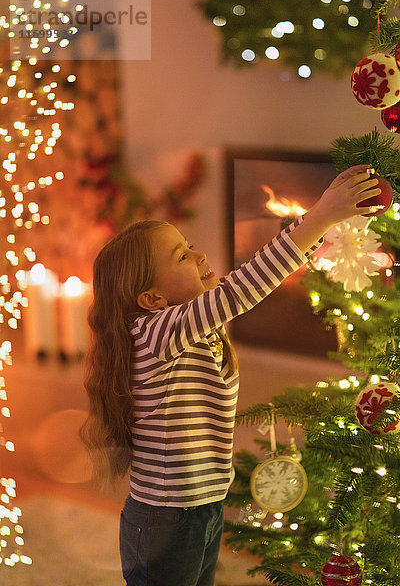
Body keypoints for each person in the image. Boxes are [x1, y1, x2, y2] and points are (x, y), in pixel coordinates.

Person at [80, 165, 380, 586]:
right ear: (152, 298)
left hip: (203, 505)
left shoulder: (193, 331)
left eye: (190, 245)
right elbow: (242, 289)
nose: (200, 256)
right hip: (167, 516)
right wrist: (322, 216)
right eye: (182, 256)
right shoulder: (154, 332)